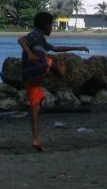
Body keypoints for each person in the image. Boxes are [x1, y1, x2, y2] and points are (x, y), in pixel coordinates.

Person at [18, 12, 89, 152]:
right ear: (45, 26)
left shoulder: (42, 40)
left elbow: (56, 48)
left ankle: (36, 140)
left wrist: (78, 48)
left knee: (35, 106)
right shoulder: (36, 34)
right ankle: (56, 71)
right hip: (37, 70)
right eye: (51, 25)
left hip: (29, 78)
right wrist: (31, 54)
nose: (52, 28)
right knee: (51, 61)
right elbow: (21, 40)